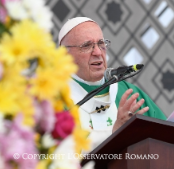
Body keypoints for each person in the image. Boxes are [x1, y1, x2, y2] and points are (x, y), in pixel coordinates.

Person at [59, 17, 166, 151]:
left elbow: (167, 139)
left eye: (101, 43)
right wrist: (115, 133)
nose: (98, 52)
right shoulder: (56, 99)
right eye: (86, 46)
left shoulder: (129, 94)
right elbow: (57, 152)